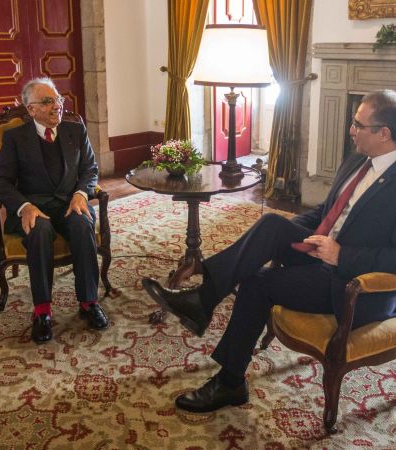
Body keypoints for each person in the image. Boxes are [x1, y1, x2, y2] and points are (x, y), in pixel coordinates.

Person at [142, 90, 396, 413]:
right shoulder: (357, 159)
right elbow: (325, 211)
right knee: (273, 225)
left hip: (351, 285)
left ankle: (228, 377)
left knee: (257, 283)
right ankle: (204, 301)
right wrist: (294, 236)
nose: (351, 130)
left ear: (384, 133)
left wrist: (341, 255)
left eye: (358, 125)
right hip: (321, 252)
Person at [0, 77, 109, 344]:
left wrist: (80, 194)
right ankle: (42, 311)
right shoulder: (15, 138)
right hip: (35, 207)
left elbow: (90, 169)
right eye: (47, 102)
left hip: (69, 203)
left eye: (58, 99)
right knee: (39, 230)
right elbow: (0, 182)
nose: (57, 106)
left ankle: (89, 302)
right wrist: (24, 207)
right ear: (31, 109)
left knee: (83, 224)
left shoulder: (75, 130)